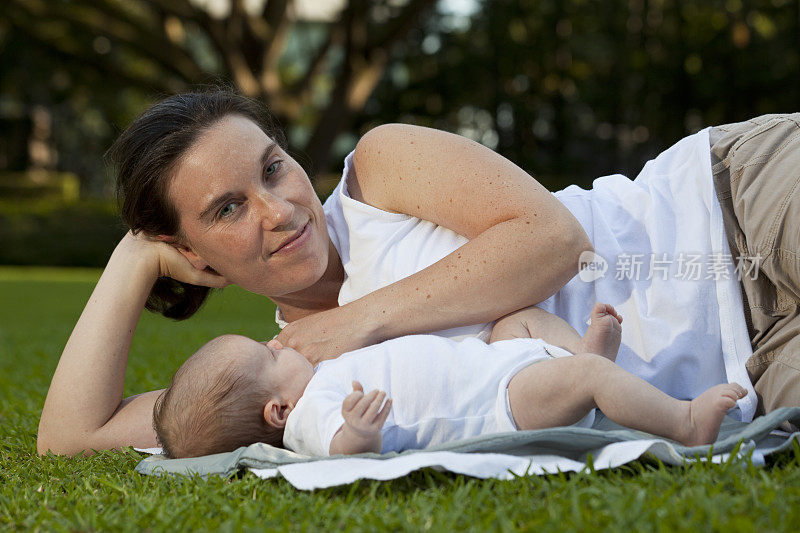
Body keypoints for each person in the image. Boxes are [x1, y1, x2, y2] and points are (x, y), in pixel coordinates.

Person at [36, 91, 800, 457]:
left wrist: (353, 320)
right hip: (754, 366)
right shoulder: (279, 388)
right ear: (194, 252)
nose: (279, 210)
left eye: (274, 167)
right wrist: (135, 252)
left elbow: (554, 241)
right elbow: (71, 437)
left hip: (730, 208)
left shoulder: (378, 171)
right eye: (229, 207)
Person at [153, 303, 746, 458]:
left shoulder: (318, 379)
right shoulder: (313, 415)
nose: (278, 342)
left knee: (516, 319)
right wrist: (357, 434)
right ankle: (685, 422)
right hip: (497, 403)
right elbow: (341, 451)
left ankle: (580, 362)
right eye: (267, 354)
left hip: (491, 366)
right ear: (277, 412)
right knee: (587, 377)